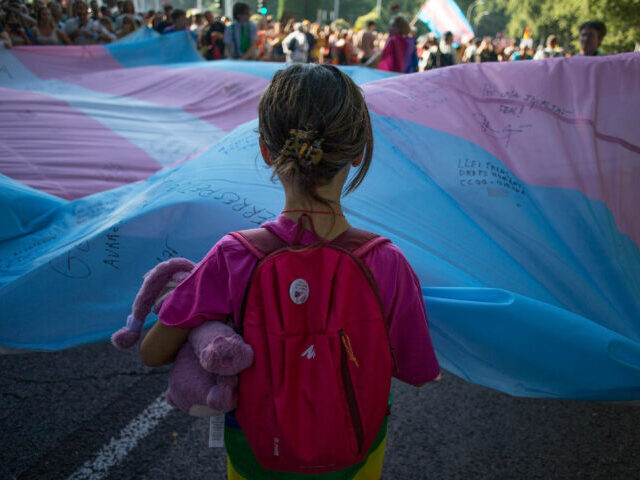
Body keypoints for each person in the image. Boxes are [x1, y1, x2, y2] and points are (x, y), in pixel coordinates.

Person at [140, 63, 440, 480]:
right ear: (357, 152)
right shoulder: (387, 263)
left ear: (266, 150)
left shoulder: (232, 256)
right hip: (353, 459)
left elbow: (152, 351)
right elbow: (420, 372)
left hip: (257, 457)